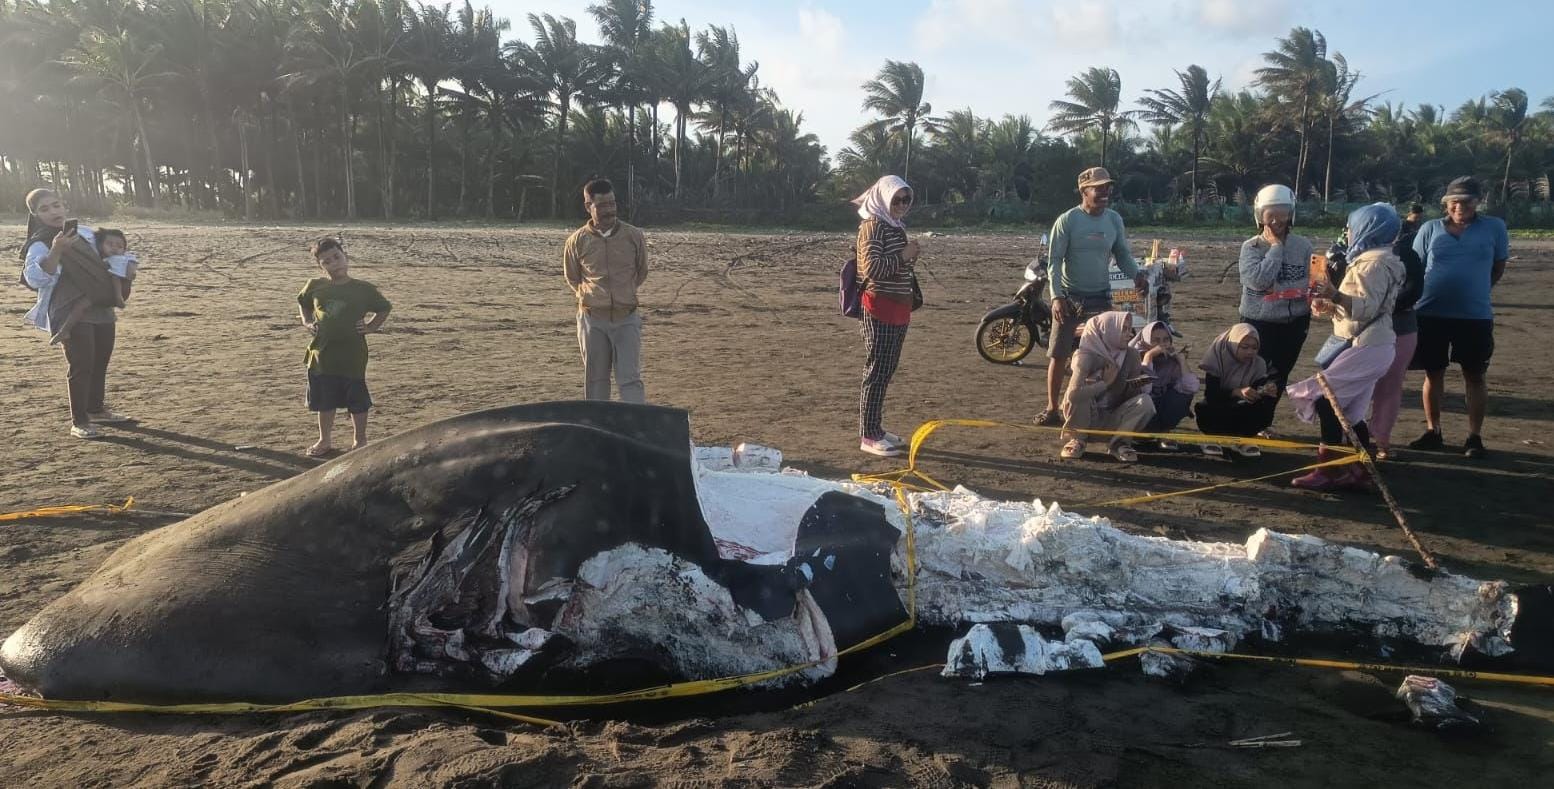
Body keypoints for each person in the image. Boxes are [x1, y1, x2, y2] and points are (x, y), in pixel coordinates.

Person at [1287, 204, 1405, 491]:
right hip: (1375, 344)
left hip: (1367, 345)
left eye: (1352, 228)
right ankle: (1360, 470)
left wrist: (1334, 294)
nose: (1349, 233)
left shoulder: (1372, 265)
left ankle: (1327, 469)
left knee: (1325, 400)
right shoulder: (1383, 260)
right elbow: (1366, 308)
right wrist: (1329, 305)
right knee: (1350, 414)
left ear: (1368, 228)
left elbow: (1366, 307)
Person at [1034, 167, 1149, 426]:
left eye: (1108, 187)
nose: (1105, 192)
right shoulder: (1068, 220)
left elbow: (1122, 254)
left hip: (1100, 298)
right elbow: (1054, 261)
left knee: (1105, 357)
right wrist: (1056, 297)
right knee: (1059, 354)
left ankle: (1098, 408)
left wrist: (1137, 275)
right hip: (1070, 298)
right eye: (1099, 188)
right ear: (1084, 190)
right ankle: (1052, 408)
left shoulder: (1114, 220)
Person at [1408, 176, 1509, 458]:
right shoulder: (1430, 229)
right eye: (1453, 201)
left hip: (1474, 315)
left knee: (1475, 374)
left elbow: (1497, 267)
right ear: (1446, 204)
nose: (1459, 206)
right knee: (1433, 373)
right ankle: (1433, 431)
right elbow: (1415, 269)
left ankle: (1474, 437)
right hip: (1430, 313)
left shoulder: (1494, 228)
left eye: (1465, 201)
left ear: (1477, 202)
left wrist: (1475, 291)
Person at [19, 188, 130, 439]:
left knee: (101, 359)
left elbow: (109, 253)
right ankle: (79, 421)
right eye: (44, 209)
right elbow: (36, 278)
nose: (53, 212)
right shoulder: (40, 242)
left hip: (99, 303)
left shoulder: (85, 233)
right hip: (69, 309)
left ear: (64, 206)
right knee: (81, 364)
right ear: (35, 215)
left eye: (56, 205)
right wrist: (57, 250)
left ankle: (96, 409)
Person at [297, 237, 391, 456]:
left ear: (345, 256)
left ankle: (360, 441)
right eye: (326, 261)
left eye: (337, 257)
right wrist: (307, 322)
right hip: (322, 356)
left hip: (352, 357)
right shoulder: (315, 286)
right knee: (324, 401)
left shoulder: (363, 289)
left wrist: (371, 326)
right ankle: (324, 440)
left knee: (357, 400)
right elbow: (303, 304)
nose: (334, 263)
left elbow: (384, 308)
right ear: (321, 265)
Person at [563, 178, 648, 403]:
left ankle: (635, 430)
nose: (609, 210)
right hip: (593, 321)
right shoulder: (576, 241)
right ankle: (598, 429)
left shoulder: (633, 236)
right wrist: (595, 298)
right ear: (587, 206)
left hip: (627, 318)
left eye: (612, 204)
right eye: (601, 205)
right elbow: (573, 278)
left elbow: (641, 272)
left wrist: (622, 294)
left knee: (630, 380)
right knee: (596, 381)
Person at [852, 175, 919, 458]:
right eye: (897, 199)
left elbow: (894, 266)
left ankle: (876, 428)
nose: (902, 205)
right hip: (880, 306)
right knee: (877, 370)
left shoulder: (894, 226)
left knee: (886, 370)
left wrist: (908, 256)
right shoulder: (872, 227)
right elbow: (871, 269)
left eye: (907, 199)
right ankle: (868, 434)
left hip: (899, 306)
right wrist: (905, 256)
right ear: (883, 198)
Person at [1237, 184, 1313, 396]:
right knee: (1253, 373)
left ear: (1291, 215)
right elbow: (1258, 281)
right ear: (1260, 216)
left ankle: (1264, 422)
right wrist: (1276, 248)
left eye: (1283, 214)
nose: (1277, 221)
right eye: (1271, 215)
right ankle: (1246, 421)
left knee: (1280, 375)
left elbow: (1311, 283)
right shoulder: (1251, 247)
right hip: (1259, 322)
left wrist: (1278, 289)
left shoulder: (1304, 246)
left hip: (1296, 322)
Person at [1367, 208, 1428, 460]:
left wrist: (1380, 306)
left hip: (1399, 326)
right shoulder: (1353, 255)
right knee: (1358, 384)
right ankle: (1352, 436)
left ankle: (1381, 439)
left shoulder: (1407, 254)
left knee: (1390, 385)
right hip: (1363, 328)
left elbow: (1414, 290)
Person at [1058, 311, 1155, 463]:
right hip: (1085, 418)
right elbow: (1073, 396)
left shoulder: (1132, 355)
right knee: (1081, 395)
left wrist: (1137, 384)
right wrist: (1106, 383)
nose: (1129, 335)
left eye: (1130, 329)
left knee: (1146, 401)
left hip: (1113, 415)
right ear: (1108, 329)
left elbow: (1132, 396)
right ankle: (1078, 439)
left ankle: (1119, 443)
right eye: (1123, 329)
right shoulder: (1085, 356)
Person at [1193, 324, 1278, 457]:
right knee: (1207, 407)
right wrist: (1236, 392)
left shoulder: (1258, 364)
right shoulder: (1217, 359)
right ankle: (1210, 437)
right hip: (1219, 407)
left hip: (1241, 409)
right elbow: (1211, 394)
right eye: (1244, 347)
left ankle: (1244, 439)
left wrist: (1266, 391)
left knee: (1264, 405)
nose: (1250, 352)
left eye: (1254, 348)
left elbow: (1257, 392)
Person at [1133, 319, 1198, 449]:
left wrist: (1181, 361)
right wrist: (1148, 357)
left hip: (1160, 409)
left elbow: (1192, 387)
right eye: (1156, 341)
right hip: (1136, 416)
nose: (1162, 345)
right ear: (1145, 341)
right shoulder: (1133, 357)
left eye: (1166, 339)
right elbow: (1143, 390)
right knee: (1145, 399)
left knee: (1181, 396)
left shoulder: (1171, 361)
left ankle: (1164, 432)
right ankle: (1137, 435)